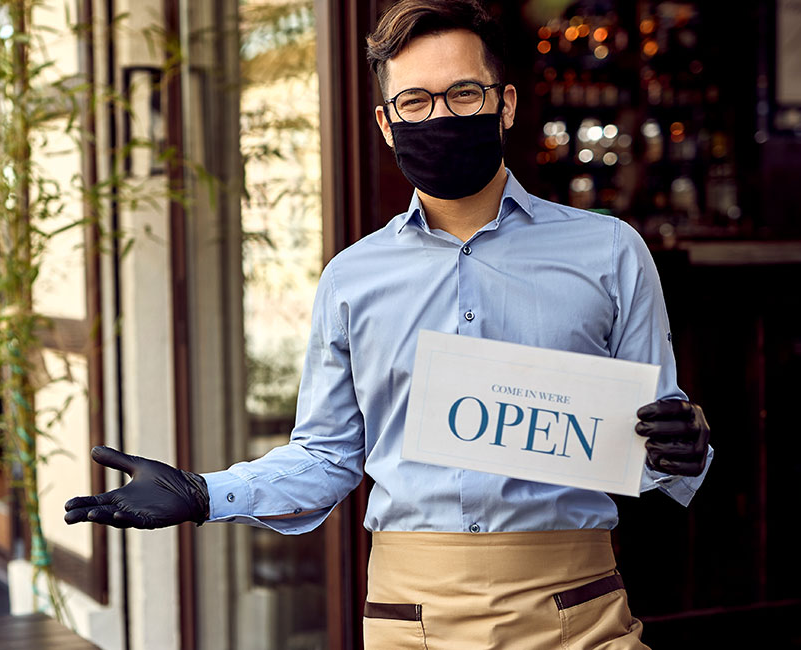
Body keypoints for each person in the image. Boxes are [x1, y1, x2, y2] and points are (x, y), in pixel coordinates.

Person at [65, 1, 712, 647]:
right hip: (411, 619)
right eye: (416, 102)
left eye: (464, 94)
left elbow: (653, 446)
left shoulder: (611, 252)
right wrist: (206, 494)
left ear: (506, 104)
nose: (441, 116)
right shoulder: (351, 279)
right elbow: (327, 457)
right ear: (385, 121)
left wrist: (684, 444)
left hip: (578, 608)